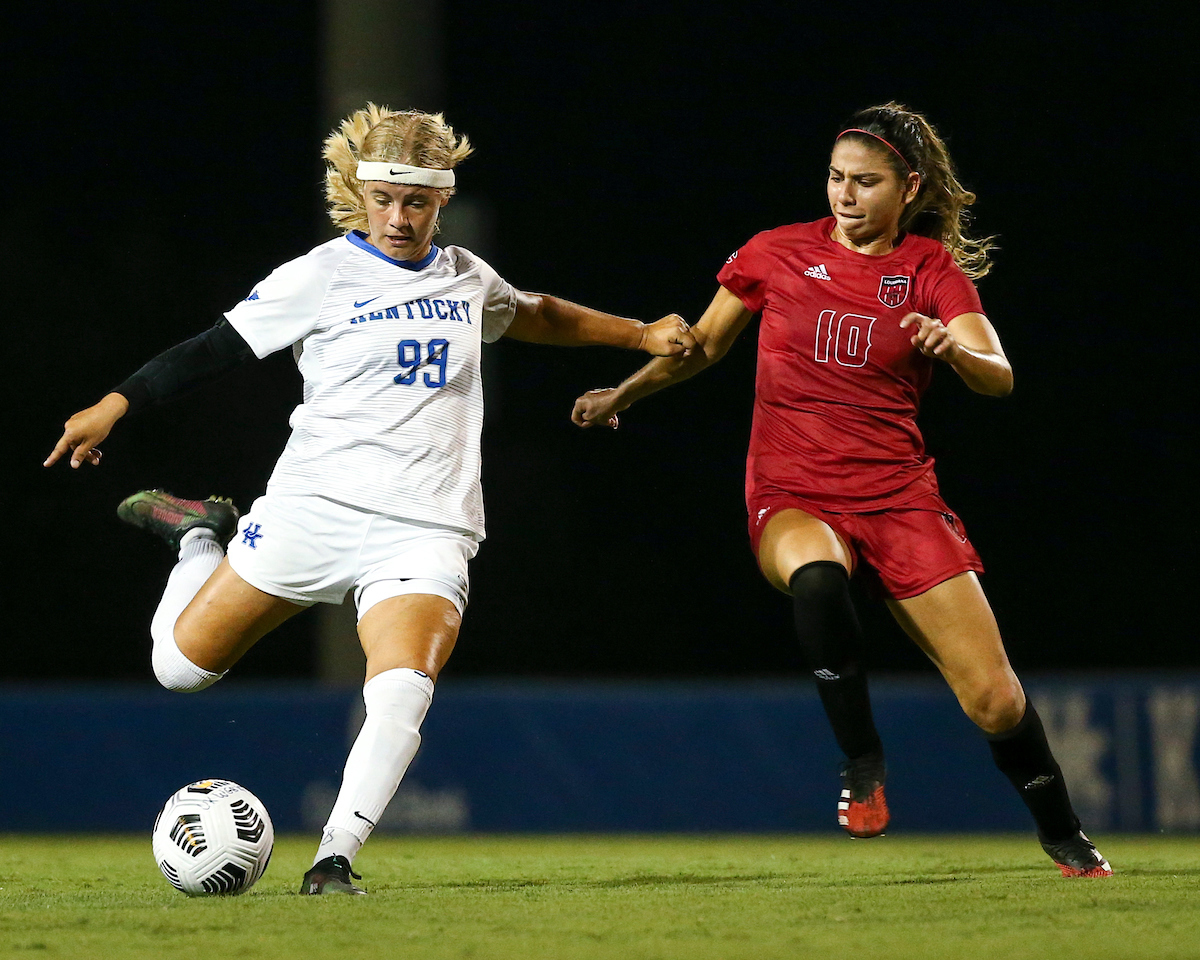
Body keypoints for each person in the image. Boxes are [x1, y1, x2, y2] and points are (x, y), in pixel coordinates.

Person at [45, 103, 695, 895]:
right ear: (360, 193)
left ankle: (334, 857)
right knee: (178, 670)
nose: (398, 217)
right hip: (310, 510)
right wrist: (115, 403)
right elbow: (212, 349)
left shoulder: (464, 277)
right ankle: (198, 537)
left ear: (440, 202)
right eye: (384, 199)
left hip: (424, 526)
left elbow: (534, 314)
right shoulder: (320, 274)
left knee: (399, 690)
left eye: (416, 202)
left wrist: (638, 334)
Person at [572, 102, 1111, 878]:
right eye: (835, 178)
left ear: (909, 188)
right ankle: (862, 762)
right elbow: (704, 347)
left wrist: (953, 352)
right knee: (818, 580)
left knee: (994, 699)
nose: (845, 195)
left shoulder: (930, 271)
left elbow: (1000, 376)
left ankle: (1065, 837)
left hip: (899, 498)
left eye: (866, 182)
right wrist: (622, 394)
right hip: (793, 487)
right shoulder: (774, 253)